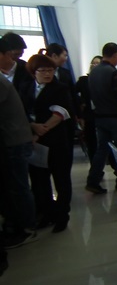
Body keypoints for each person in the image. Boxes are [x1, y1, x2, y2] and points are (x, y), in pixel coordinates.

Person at [18, 52, 74, 233]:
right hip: (34, 140)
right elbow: (20, 111)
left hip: (56, 140)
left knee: (61, 179)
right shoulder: (25, 87)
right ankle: (46, 213)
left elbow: (61, 112)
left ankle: (62, 216)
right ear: (33, 72)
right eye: (43, 70)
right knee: (39, 181)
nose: (48, 74)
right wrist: (33, 126)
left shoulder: (60, 88)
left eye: (51, 70)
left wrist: (42, 129)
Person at [0, 37, 38, 248]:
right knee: (15, 186)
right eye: (13, 56)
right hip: (14, 138)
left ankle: (27, 227)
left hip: (15, 140)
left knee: (18, 187)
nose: (14, 61)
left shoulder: (13, 75)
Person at [85, 42, 117, 194]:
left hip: (100, 117)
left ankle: (92, 181)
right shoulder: (113, 72)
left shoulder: (93, 72)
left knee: (101, 150)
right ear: (116, 55)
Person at [75, 56, 102, 163]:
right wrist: (81, 102)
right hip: (89, 115)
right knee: (91, 142)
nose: (94, 65)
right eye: (93, 63)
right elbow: (73, 93)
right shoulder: (83, 80)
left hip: (102, 114)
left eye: (97, 63)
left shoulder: (105, 79)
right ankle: (94, 166)